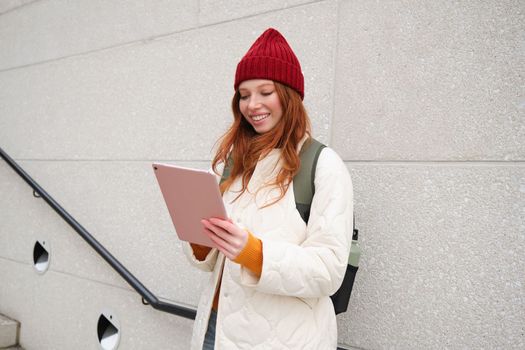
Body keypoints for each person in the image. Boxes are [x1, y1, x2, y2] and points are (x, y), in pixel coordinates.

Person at [183, 28, 353, 350]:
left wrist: (254, 253)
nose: (252, 104)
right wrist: (200, 239)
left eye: (265, 92)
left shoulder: (323, 165)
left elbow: (329, 270)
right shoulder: (229, 163)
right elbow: (208, 261)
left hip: (282, 341)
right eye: (244, 95)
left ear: (289, 95)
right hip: (214, 331)